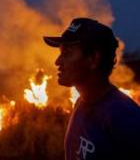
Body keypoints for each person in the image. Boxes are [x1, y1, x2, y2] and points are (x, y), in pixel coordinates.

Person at [43, 17, 140, 160]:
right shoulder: (81, 104)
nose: (57, 62)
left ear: (94, 59)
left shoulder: (125, 117)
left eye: (67, 53)